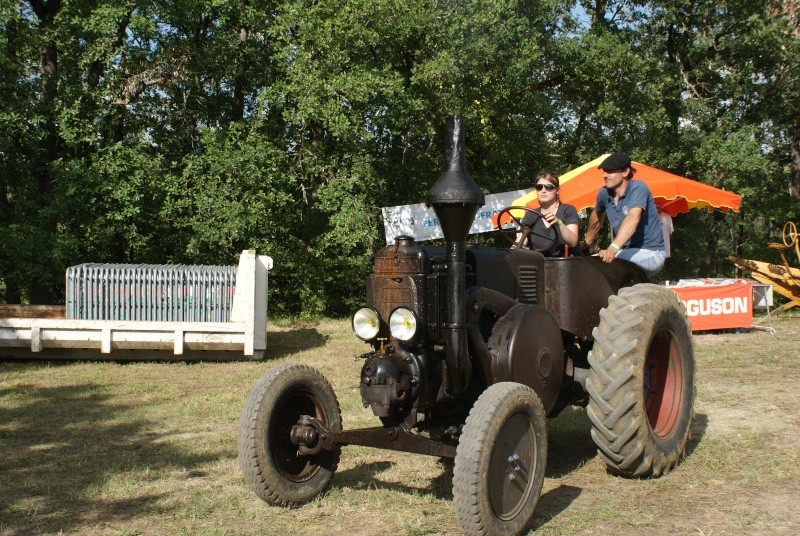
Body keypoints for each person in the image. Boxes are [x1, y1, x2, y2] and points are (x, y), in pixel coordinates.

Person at [583, 153, 666, 276]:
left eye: (610, 171)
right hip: (625, 252)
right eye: (605, 171)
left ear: (626, 172)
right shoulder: (604, 193)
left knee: (600, 265)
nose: (605, 175)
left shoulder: (638, 188)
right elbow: (597, 214)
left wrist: (612, 249)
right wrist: (586, 242)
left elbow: (632, 218)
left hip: (651, 253)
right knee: (584, 265)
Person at [517, 171, 581, 257]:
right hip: (540, 265)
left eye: (549, 187)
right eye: (539, 187)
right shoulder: (530, 215)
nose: (543, 191)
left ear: (557, 190)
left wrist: (559, 223)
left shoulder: (568, 210)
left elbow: (573, 242)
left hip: (567, 265)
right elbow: (520, 242)